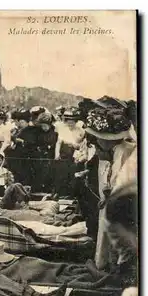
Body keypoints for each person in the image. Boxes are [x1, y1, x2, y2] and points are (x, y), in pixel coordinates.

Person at [83, 106, 137, 272]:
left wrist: (109, 196)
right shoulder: (111, 151)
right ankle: (105, 260)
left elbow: (124, 182)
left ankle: (116, 266)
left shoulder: (125, 151)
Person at [54, 108, 85, 198]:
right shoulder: (63, 130)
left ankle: (71, 194)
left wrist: (77, 146)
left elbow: (83, 145)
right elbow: (58, 143)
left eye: (72, 121)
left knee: (73, 173)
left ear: (76, 121)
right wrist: (57, 154)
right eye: (68, 121)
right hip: (64, 152)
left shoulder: (81, 131)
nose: (70, 123)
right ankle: (60, 193)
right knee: (62, 172)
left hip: (76, 153)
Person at [6, 109, 38, 186]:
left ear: (27, 122)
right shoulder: (20, 130)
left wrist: (22, 141)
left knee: (25, 172)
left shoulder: (31, 130)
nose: (21, 124)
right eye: (20, 122)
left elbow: (32, 142)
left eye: (22, 122)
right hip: (18, 154)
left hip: (27, 154)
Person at [33, 112, 58, 193]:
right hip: (41, 155)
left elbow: (53, 143)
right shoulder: (39, 132)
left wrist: (48, 147)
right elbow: (37, 142)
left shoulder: (54, 132)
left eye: (45, 126)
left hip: (50, 155)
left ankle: (50, 188)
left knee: (50, 172)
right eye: (42, 126)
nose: (44, 128)